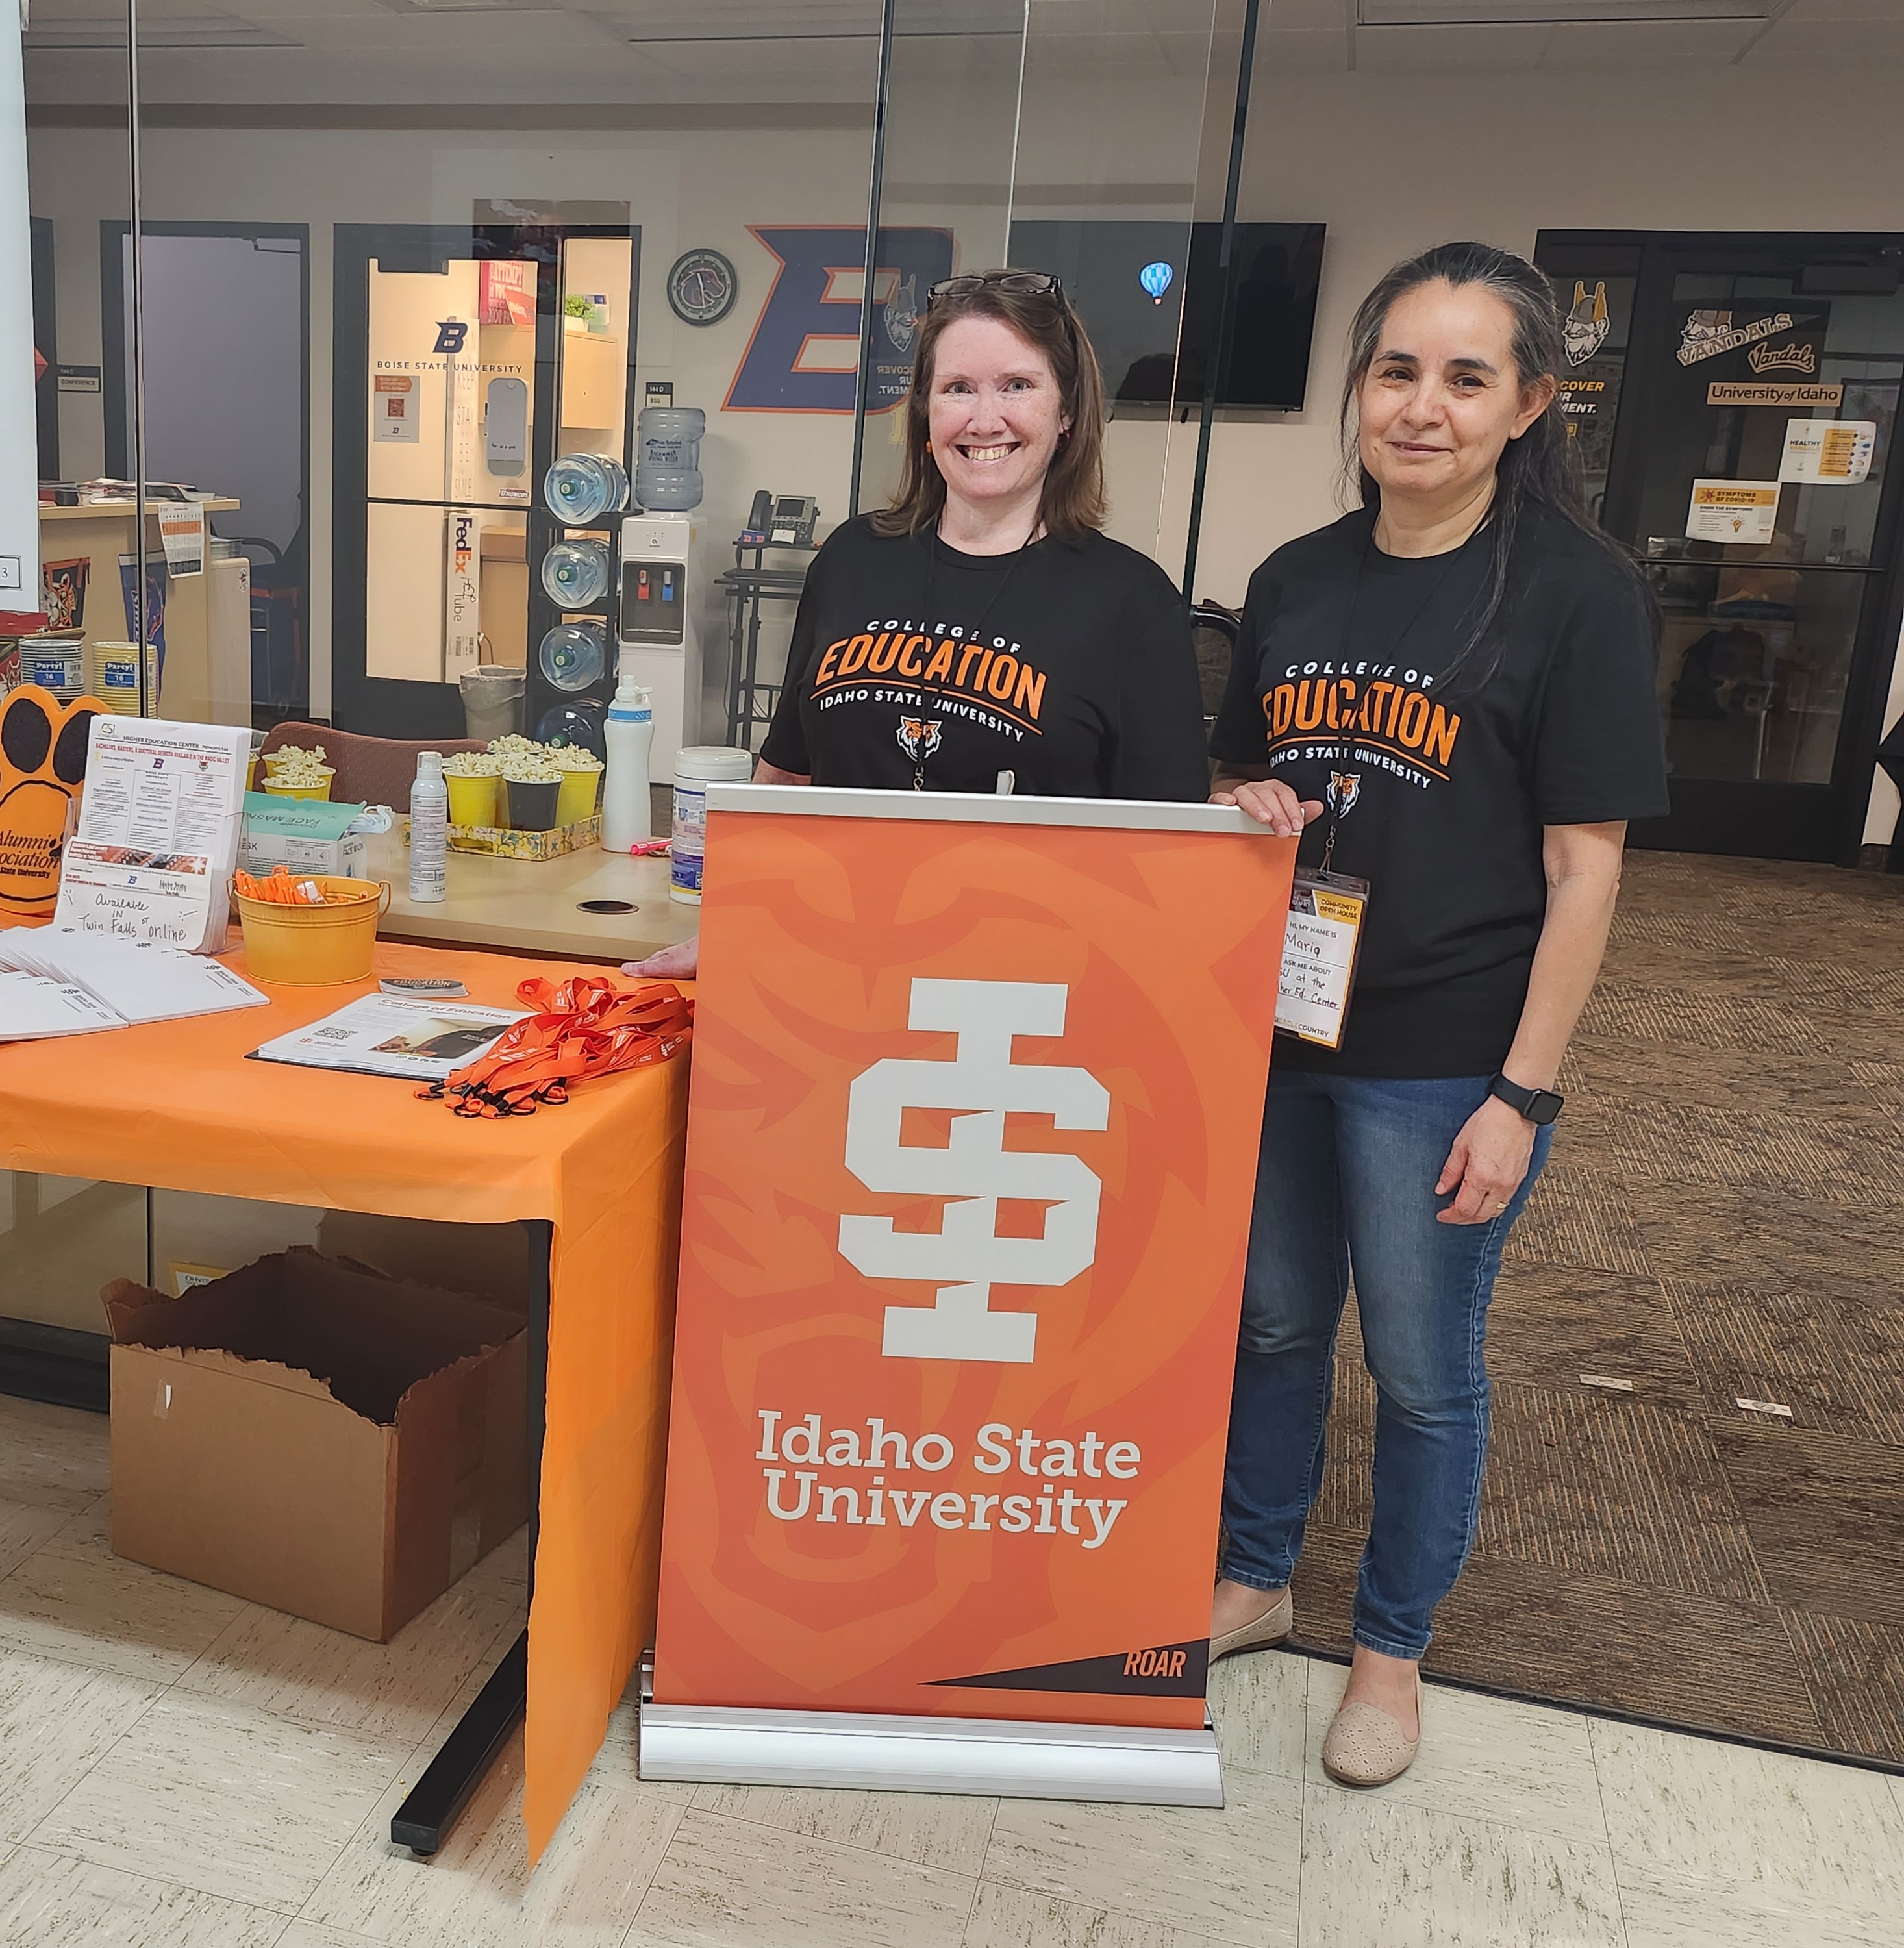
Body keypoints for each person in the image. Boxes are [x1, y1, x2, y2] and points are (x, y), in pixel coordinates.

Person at [1205, 241, 1667, 1787]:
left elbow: (1581, 867)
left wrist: (1519, 1095)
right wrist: (1235, 791)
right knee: (1268, 1325)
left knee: (1419, 1366)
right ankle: (1256, 1576)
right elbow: (1232, 776)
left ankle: (1390, 1650)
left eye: (1466, 378)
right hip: (1278, 1035)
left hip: (1442, 1060)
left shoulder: (1577, 596)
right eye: (1397, 369)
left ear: (1527, 404)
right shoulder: (1295, 577)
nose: (1422, 406)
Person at [627, 269, 1207, 979]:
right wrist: (735, 923)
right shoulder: (851, 559)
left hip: (1024, 992)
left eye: (1017, 386)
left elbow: (1168, 852)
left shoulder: (1131, 600)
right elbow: (787, 777)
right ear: (925, 415)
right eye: (957, 388)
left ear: (1066, 414)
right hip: (827, 967)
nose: (984, 418)